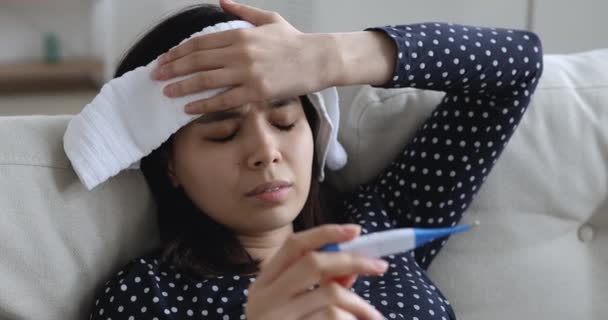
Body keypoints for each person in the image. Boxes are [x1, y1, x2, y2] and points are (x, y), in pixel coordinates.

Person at [90, 0, 544, 319]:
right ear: (169, 162)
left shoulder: (375, 227)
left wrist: (331, 57)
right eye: (223, 134)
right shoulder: (149, 296)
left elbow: (518, 64)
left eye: (285, 121)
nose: (266, 152)